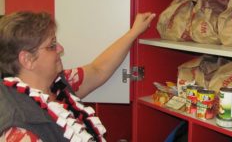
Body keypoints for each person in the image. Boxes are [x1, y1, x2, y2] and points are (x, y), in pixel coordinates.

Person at [0, 11, 156, 142]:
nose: (61, 49)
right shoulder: (18, 130)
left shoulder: (56, 84)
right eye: (52, 45)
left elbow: (98, 69)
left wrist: (134, 32)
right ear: (27, 60)